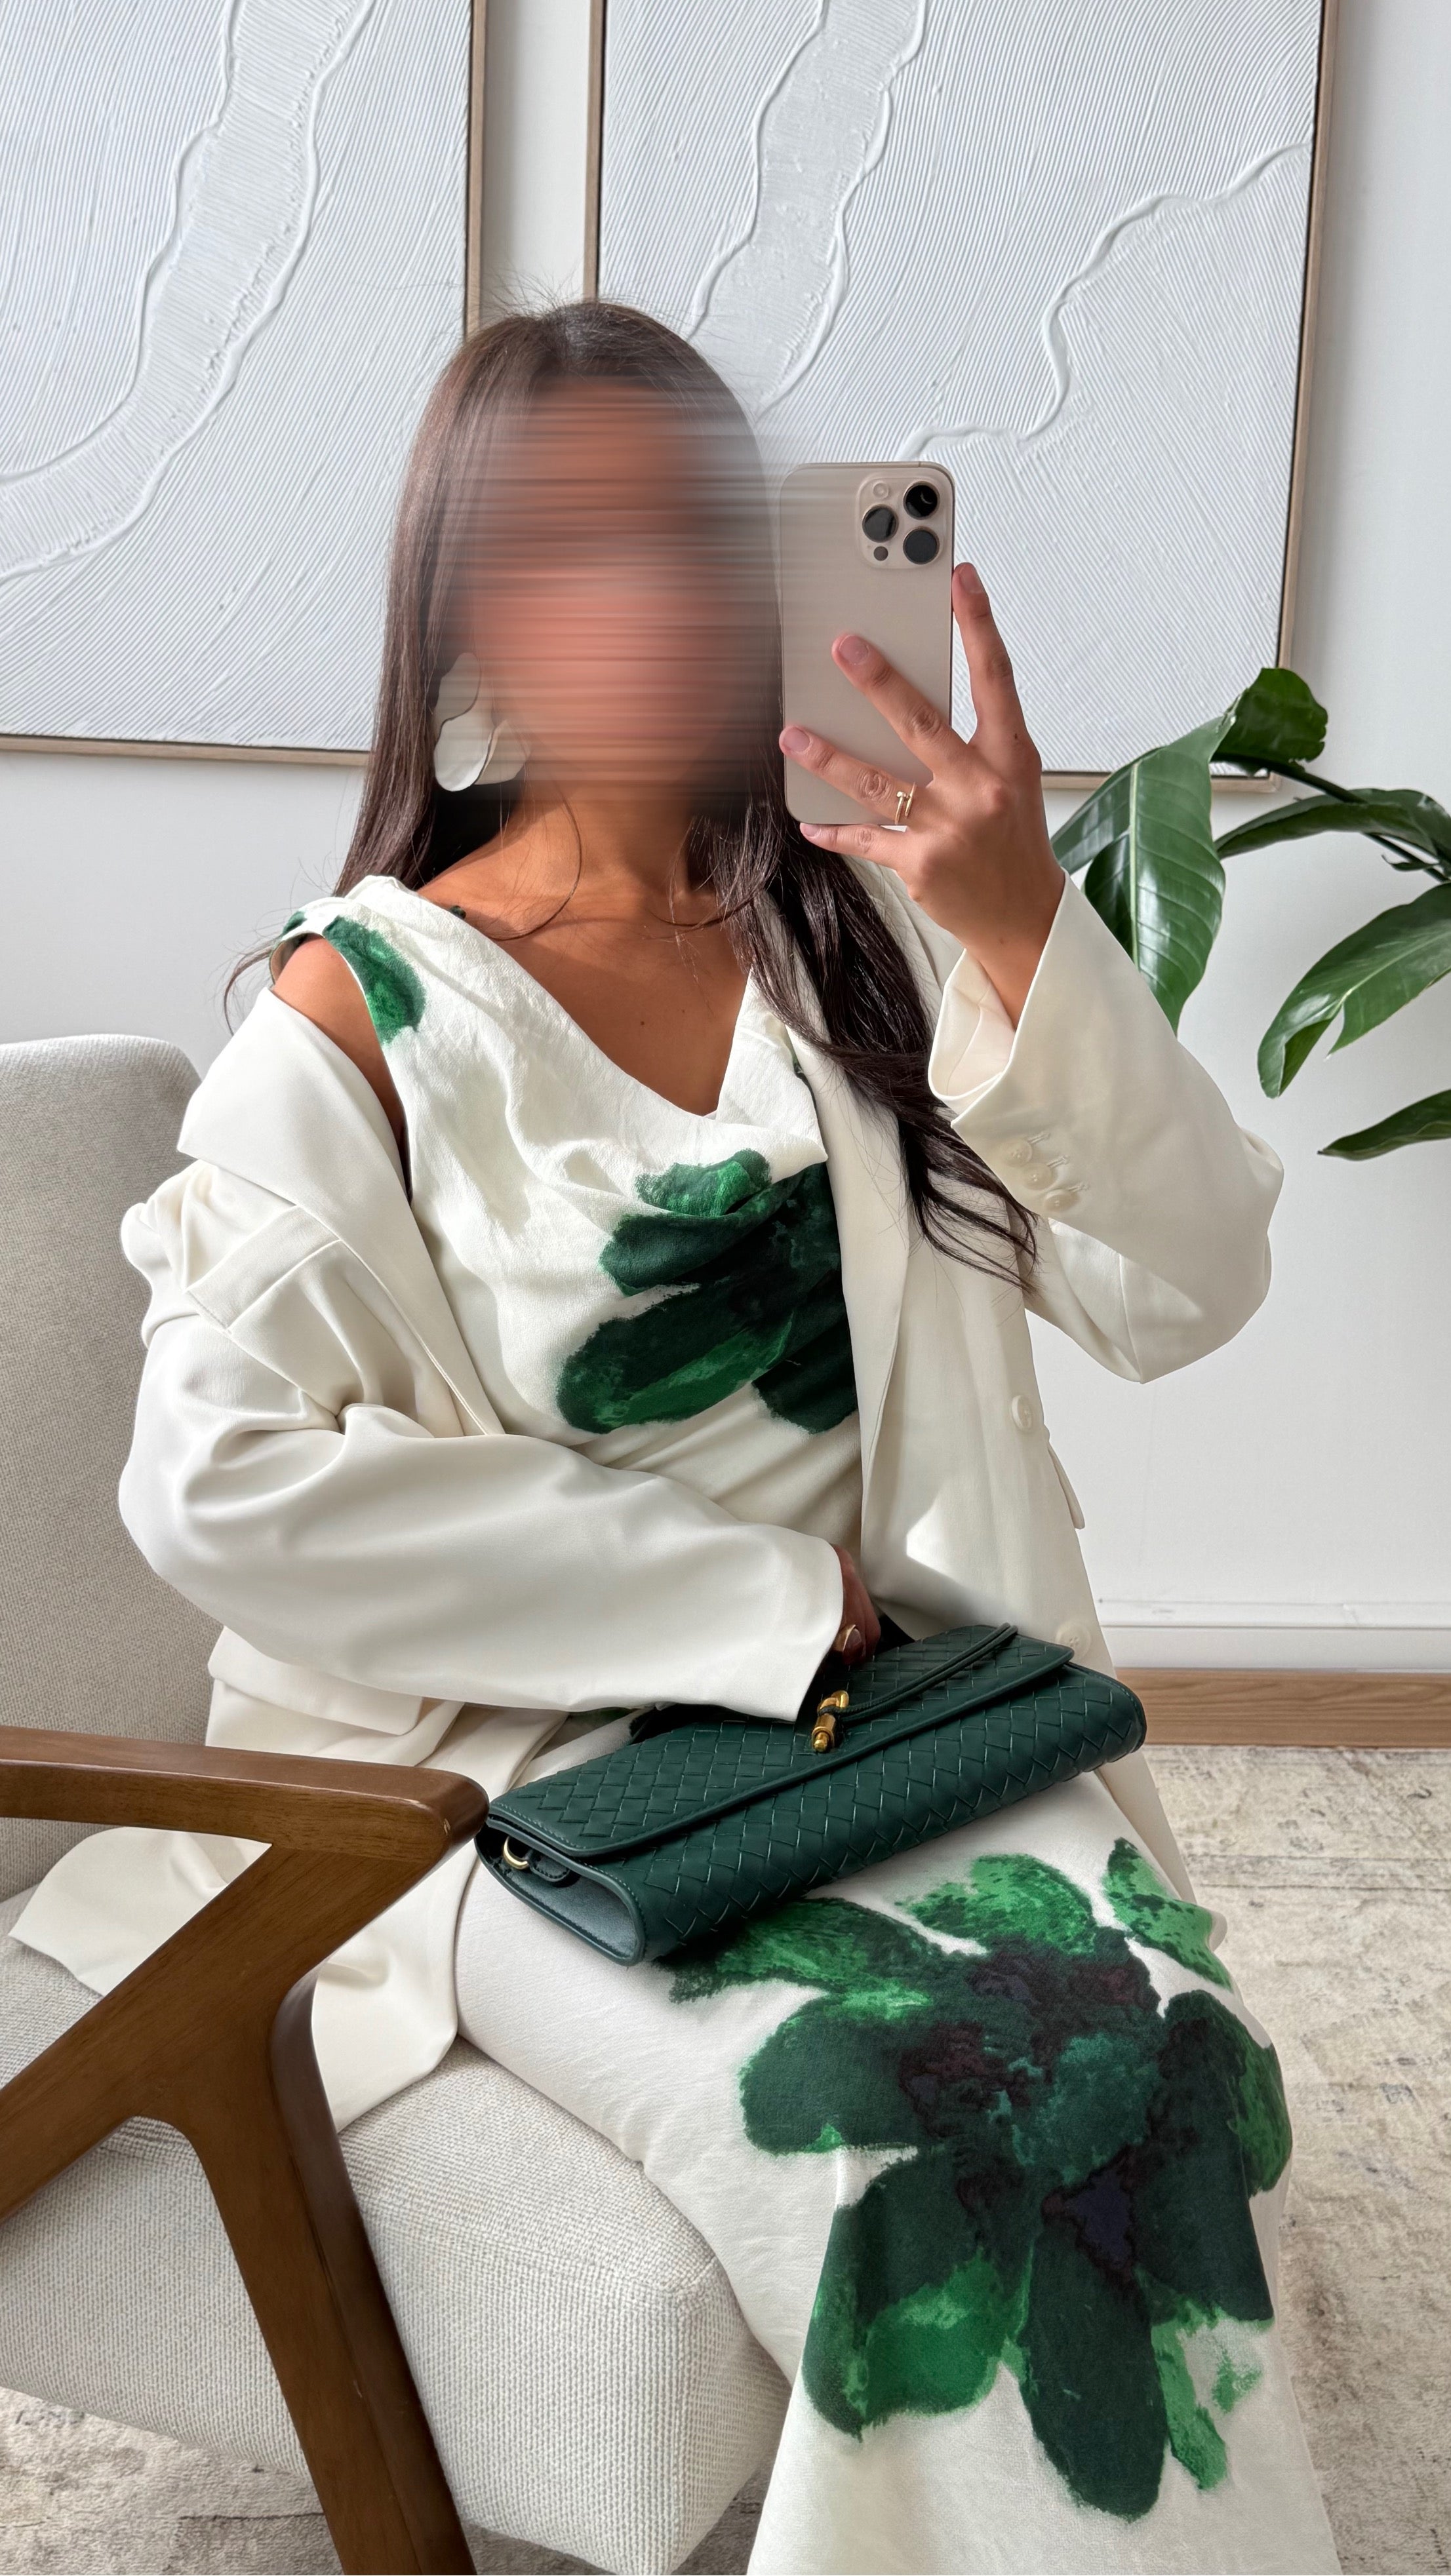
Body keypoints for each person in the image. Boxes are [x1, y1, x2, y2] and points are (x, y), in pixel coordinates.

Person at [12, 303, 1336, 2574]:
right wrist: (750, 1596)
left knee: (1162, 2047)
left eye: (693, 534)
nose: (650, 594)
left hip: (897, 1724)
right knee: (907, 2128)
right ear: (463, 611)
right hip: (520, 1788)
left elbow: (1189, 1279)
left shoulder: (859, 936)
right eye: (570, 543)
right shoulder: (363, 1010)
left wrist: (1019, 917)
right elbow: (216, 1482)